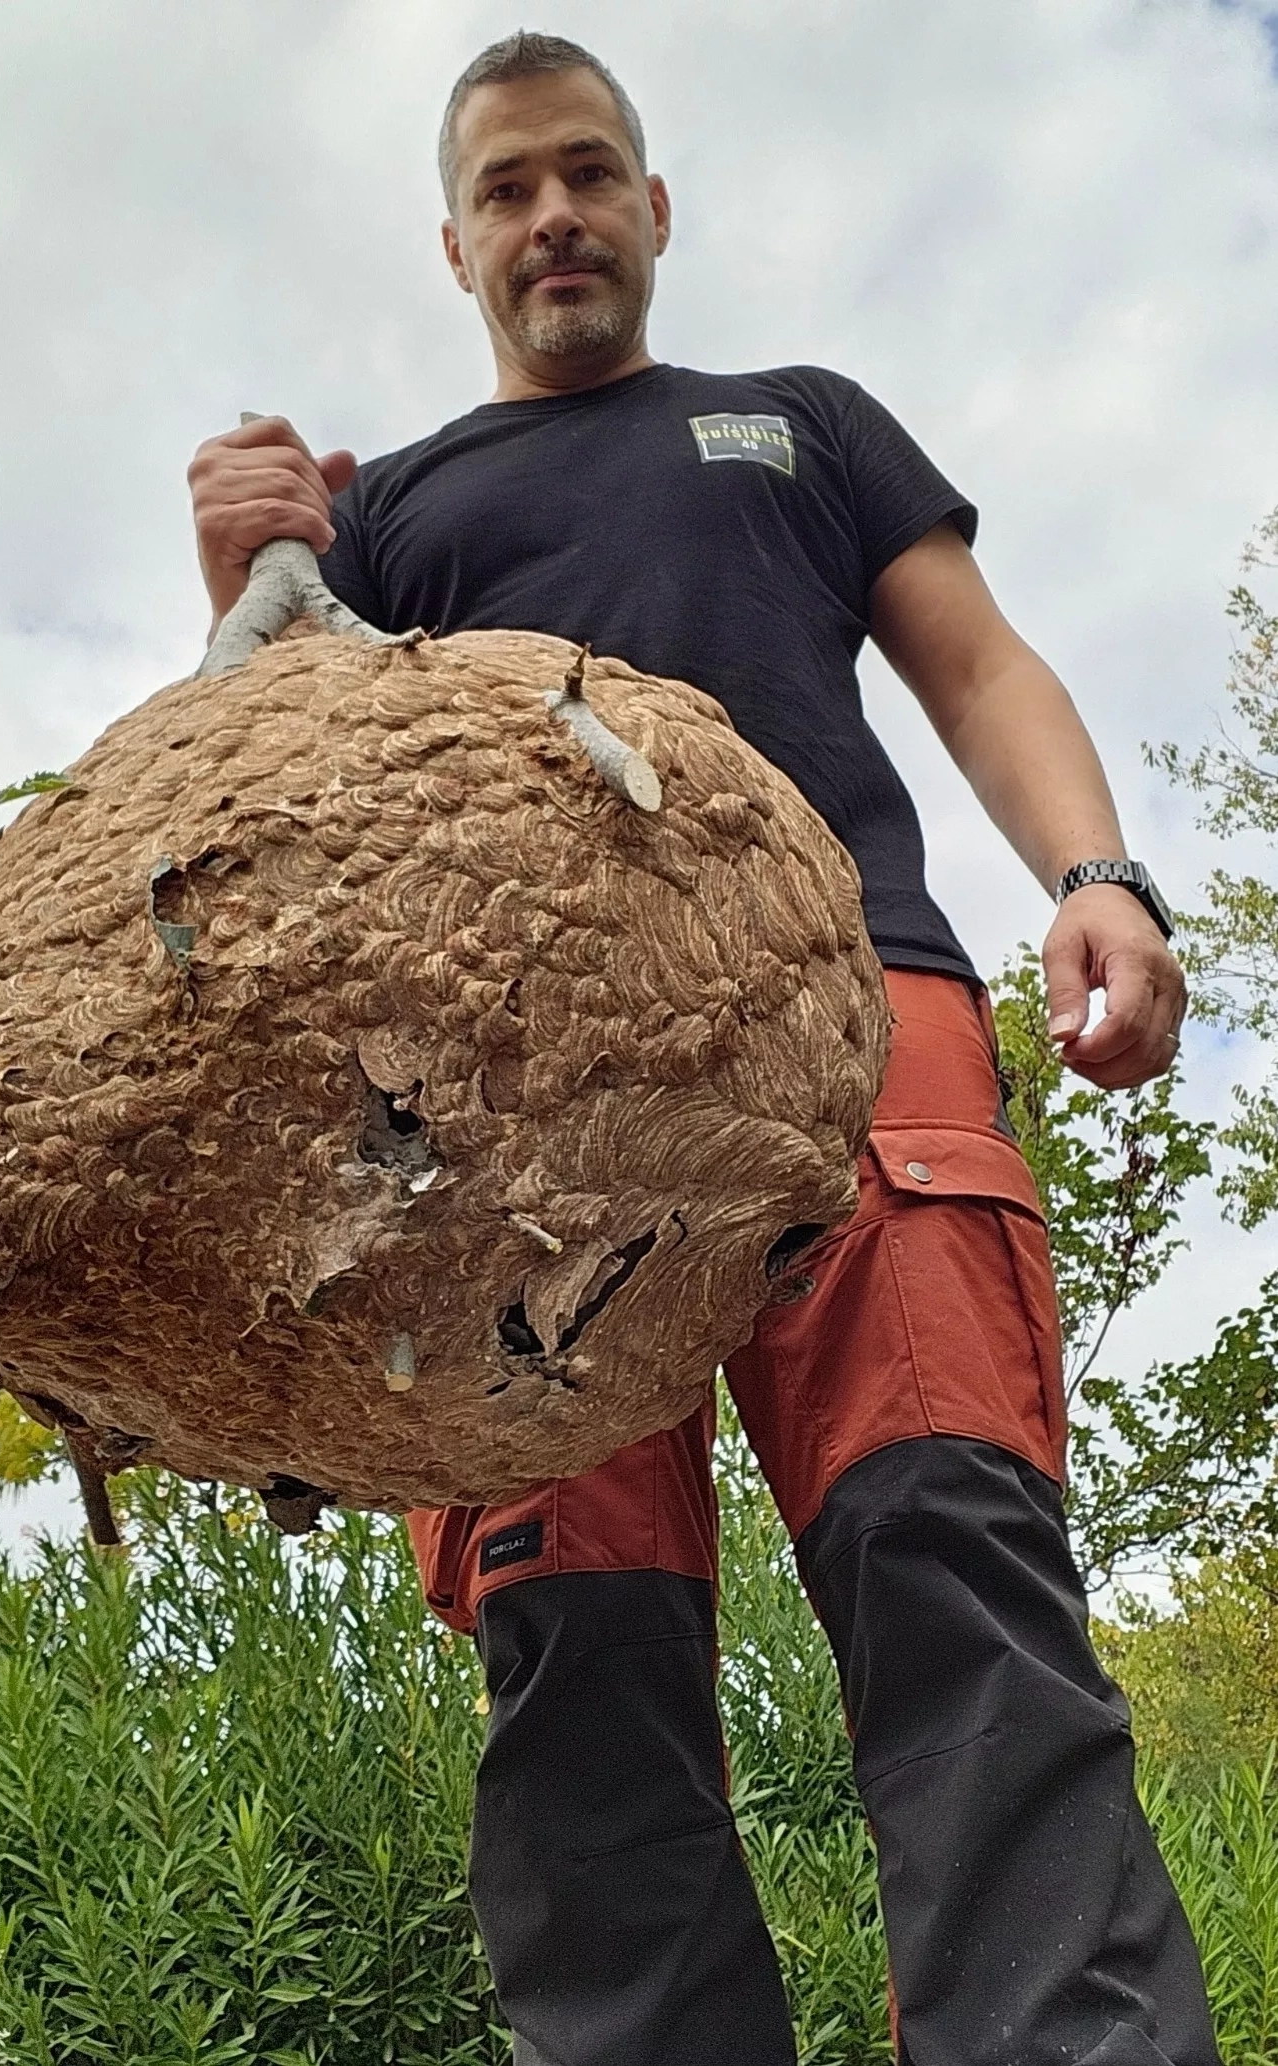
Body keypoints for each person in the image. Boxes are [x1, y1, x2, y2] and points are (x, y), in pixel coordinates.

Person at [188, 32, 1217, 2066]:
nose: (551, 213)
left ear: (652, 209)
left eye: (587, 173)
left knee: (952, 1564)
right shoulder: (388, 509)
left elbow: (978, 657)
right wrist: (253, 589)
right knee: (577, 1657)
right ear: (454, 243)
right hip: (507, 1138)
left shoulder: (800, 424)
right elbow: (266, 816)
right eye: (505, 188)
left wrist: (1094, 870)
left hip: (858, 1025)